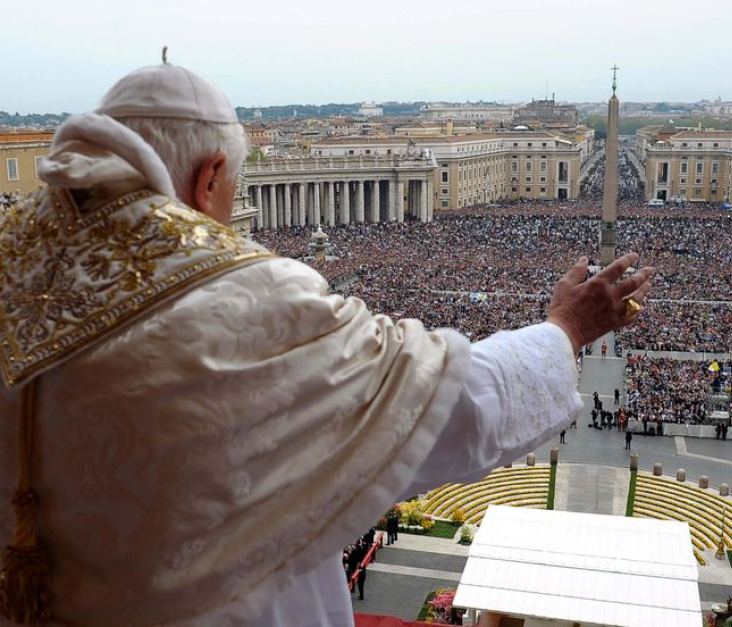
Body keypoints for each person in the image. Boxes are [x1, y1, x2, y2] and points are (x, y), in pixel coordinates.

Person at [0, 62, 657, 626]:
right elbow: (437, 407)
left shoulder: (13, 265)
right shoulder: (243, 301)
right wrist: (563, 331)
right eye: (232, 194)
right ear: (209, 179)